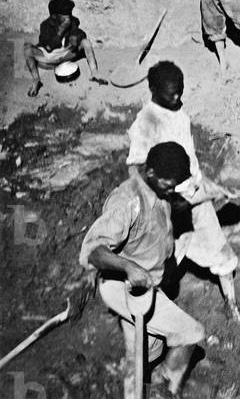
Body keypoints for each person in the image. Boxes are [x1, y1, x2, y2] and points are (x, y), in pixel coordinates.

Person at [80, 141, 206, 398]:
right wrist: (129, 267)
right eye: (169, 184)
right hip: (124, 287)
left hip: (149, 287)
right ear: (150, 173)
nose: (172, 190)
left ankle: (135, 387)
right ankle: (165, 390)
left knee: (145, 353)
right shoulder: (127, 202)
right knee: (191, 333)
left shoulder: (159, 191)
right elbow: (93, 251)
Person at [127, 60, 240, 320]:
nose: (177, 97)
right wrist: (162, 203)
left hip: (194, 195)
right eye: (171, 93)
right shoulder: (146, 123)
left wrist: (208, 186)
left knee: (220, 252)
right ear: (154, 90)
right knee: (162, 265)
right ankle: (151, 318)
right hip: (169, 204)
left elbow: (190, 159)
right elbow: (137, 170)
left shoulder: (178, 110)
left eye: (180, 90)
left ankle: (231, 303)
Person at [23, 0, 99, 97]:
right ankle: (36, 81)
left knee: (86, 42)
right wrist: (61, 30)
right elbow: (49, 47)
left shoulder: (72, 21)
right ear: (54, 16)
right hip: (50, 58)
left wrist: (76, 36)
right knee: (27, 49)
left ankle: (94, 73)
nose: (68, 18)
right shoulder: (45, 26)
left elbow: (81, 33)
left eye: (69, 14)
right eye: (64, 15)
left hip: (67, 55)